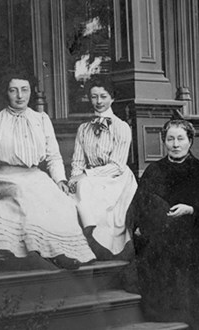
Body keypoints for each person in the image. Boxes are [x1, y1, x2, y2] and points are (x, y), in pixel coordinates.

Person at [0, 68, 95, 270]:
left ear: (31, 91)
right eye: (14, 90)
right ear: (6, 92)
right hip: (7, 177)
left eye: (25, 89)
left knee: (62, 201)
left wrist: (60, 181)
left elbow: (53, 156)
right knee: (25, 195)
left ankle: (62, 252)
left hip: (36, 175)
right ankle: (41, 251)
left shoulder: (41, 119)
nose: (20, 96)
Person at [126, 119, 199, 329]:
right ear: (164, 141)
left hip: (193, 236)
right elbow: (140, 206)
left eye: (180, 139)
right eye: (170, 139)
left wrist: (191, 209)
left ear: (190, 141)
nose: (175, 144)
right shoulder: (154, 171)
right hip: (162, 238)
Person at [68, 76, 137, 260]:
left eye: (103, 96)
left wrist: (84, 176)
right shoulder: (83, 129)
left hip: (117, 179)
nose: (99, 102)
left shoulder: (121, 127)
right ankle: (82, 245)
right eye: (94, 97)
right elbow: (77, 162)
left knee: (85, 187)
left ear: (112, 98)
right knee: (73, 191)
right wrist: (74, 178)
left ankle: (97, 242)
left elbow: (117, 166)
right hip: (90, 178)